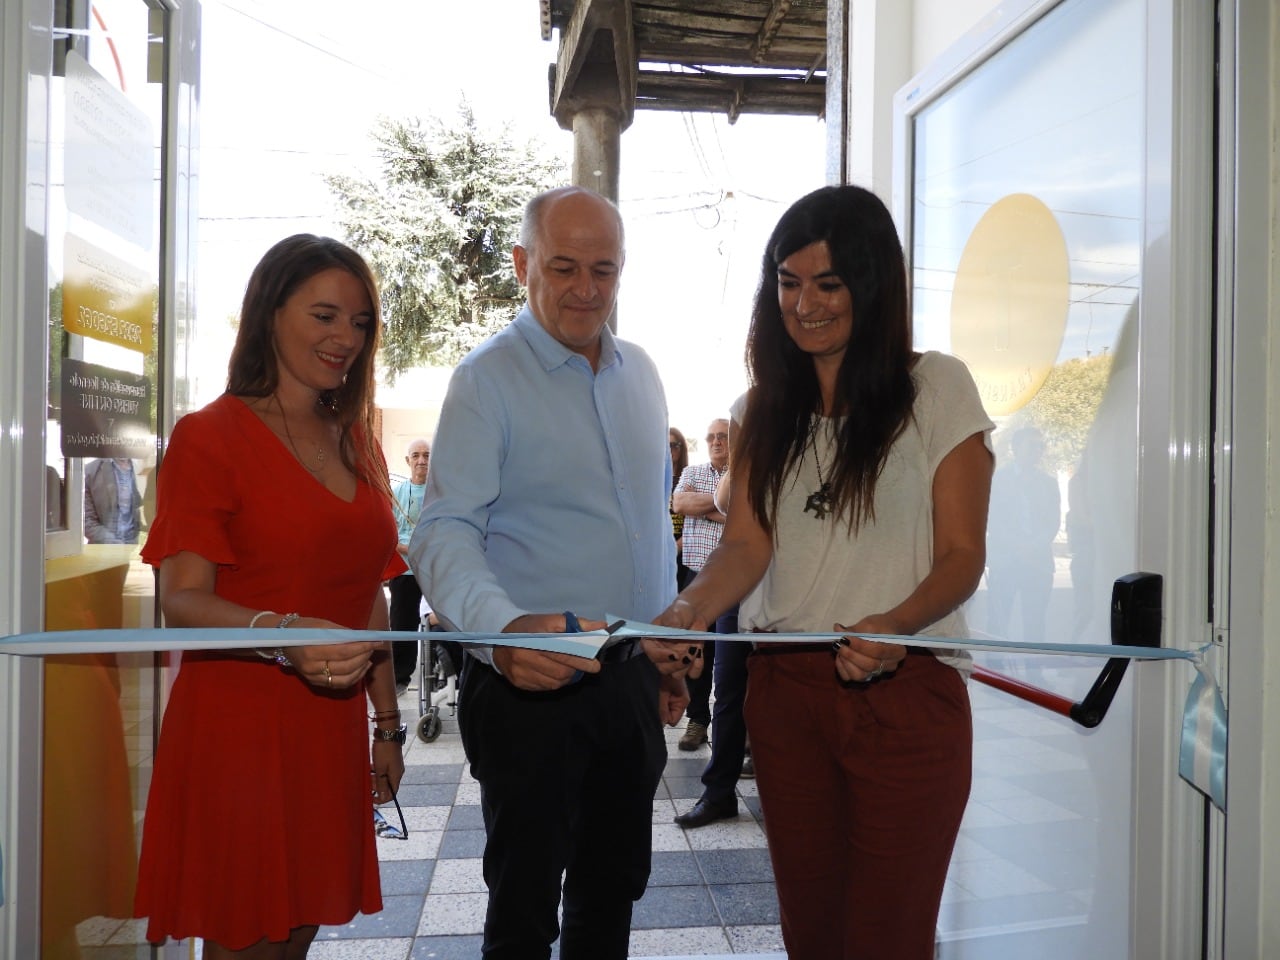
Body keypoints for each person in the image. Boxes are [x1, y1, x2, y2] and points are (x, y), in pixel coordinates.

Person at [653, 184, 994, 960]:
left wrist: (895, 626)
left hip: (908, 693)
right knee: (811, 933)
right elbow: (745, 547)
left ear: (872, 285)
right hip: (787, 697)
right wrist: (687, 610)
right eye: (787, 282)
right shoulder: (759, 409)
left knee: (887, 938)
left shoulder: (937, 387)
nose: (803, 305)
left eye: (828, 283)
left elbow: (962, 555)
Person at [409, 185, 698, 960]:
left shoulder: (642, 373)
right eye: (563, 267)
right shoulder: (486, 380)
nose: (585, 289)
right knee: (525, 901)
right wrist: (500, 634)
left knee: (614, 889)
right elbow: (442, 532)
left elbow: (645, 530)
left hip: (630, 681)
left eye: (603, 270)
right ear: (522, 265)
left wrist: (667, 655)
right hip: (525, 689)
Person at [134, 234, 407, 959]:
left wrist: (387, 723)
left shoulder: (358, 440)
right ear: (269, 313)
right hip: (240, 730)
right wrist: (284, 632)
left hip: (329, 730)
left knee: (298, 934)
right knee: (246, 940)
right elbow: (182, 598)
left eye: (359, 322)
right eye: (324, 316)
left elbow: (367, 593)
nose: (344, 338)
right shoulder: (209, 437)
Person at [674, 434, 751, 829]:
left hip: (793, 598)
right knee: (728, 688)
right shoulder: (741, 459)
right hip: (733, 589)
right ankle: (719, 793)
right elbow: (726, 505)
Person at [672, 418, 729, 752]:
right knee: (696, 651)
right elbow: (680, 504)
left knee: (731, 655)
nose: (716, 442)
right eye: (711, 437)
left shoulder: (743, 473)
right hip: (696, 576)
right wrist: (722, 506)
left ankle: (734, 726)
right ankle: (697, 721)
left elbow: (747, 512)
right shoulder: (691, 474)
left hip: (735, 581)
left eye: (723, 436)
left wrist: (704, 508)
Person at [986, 425, 1061, 644]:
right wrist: (1016, 546)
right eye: (1032, 446)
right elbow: (992, 518)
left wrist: (1034, 545)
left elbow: (1053, 523)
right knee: (998, 623)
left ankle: (1034, 675)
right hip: (1005, 562)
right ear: (1016, 448)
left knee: (1035, 622)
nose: (1038, 451)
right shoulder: (997, 481)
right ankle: (996, 672)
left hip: (1038, 564)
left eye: (1040, 446)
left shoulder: (1049, 483)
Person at [389, 437, 432, 693]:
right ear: (408, 461)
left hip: (434, 569)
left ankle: (446, 673)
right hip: (404, 569)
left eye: (426, 455)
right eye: (416, 455)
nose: (421, 461)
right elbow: (389, 533)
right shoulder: (398, 493)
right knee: (402, 622)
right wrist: (410, 549)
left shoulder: (441, 492)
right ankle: (400, 677)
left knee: (441, 619)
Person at [84, 456, 143, 543]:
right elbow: (85, 520)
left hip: (136, 546)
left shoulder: (142, 469)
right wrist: (111, 541)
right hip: (103, 549)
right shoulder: (90, 471)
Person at [668, 426, 692, 589]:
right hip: (659, 550)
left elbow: (696, 522)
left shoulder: (689, 480)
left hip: (682, 552)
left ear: (681, 448)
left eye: (673, 445)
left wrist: (676, 547)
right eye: (664, 444)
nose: (668, 450)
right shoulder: (653, 483)